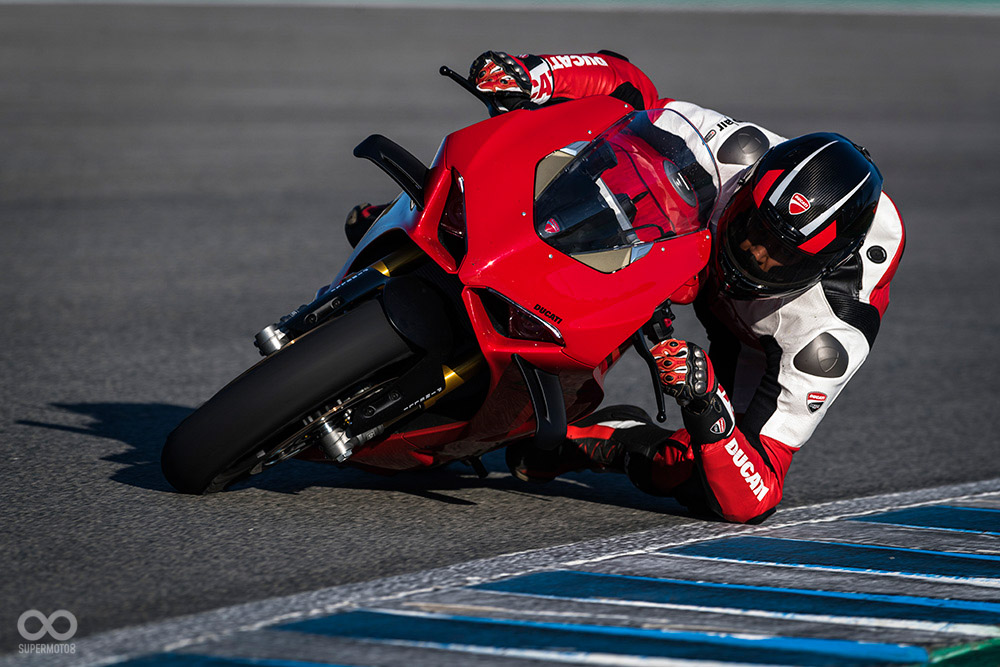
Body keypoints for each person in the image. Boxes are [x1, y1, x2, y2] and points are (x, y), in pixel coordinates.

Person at [350, 51, 905, 524]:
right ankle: (450, 225)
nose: (755, 253)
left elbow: (757, 496)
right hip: (693, 239)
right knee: (600, 177)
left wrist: (706, 403)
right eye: (752, 228)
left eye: (779, 254)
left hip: (753, 332)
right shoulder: (729, 150)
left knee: (695, 475)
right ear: (748, 187)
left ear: (816, 265)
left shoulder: (826, 333)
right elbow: (625, 88)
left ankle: (602, 439)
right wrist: (534, 74)